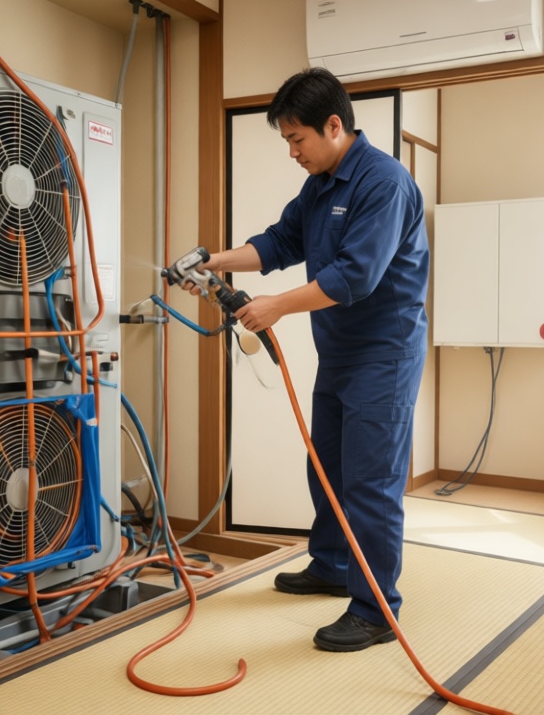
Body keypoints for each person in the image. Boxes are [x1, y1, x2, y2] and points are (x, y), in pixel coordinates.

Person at [190, 67, 428, 652]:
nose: (292, 152)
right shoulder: (320, 183)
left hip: (385, 354)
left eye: (297, 140)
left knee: (370, 484)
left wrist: (276, 307)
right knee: (326, 468)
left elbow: (355, 276)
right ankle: (331, 566)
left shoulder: (384, 182)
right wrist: (208, 259)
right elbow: (277, 243)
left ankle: (377, 609)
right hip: (340, 351)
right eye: (286, 142)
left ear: (334, 125)